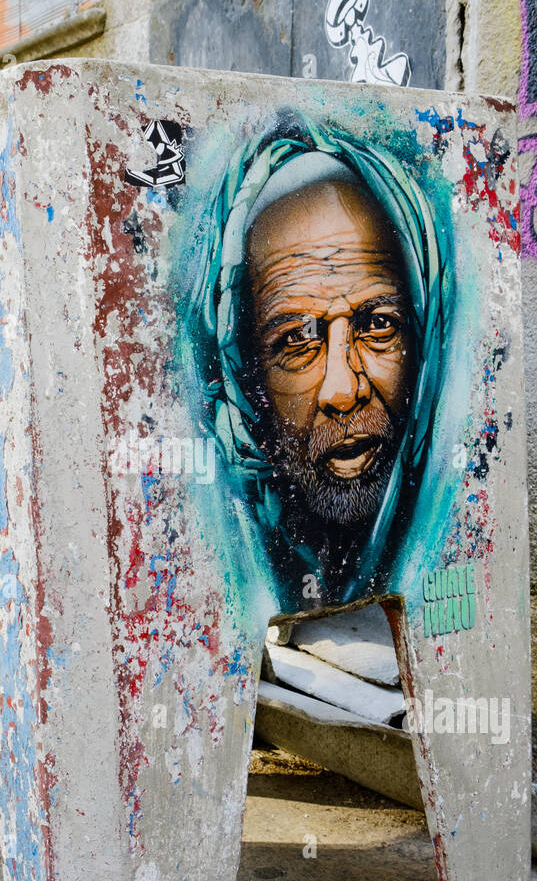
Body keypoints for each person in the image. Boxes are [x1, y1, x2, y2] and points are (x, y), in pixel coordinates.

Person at [177, 119, 452, 609]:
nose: (343, 391)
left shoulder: (449, 519)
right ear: (244, 371)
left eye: (379, 325)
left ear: (423, 331)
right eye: (298, 339)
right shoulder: (222, 568)